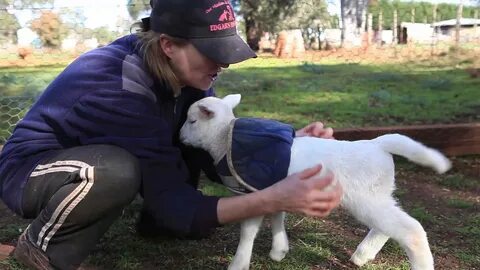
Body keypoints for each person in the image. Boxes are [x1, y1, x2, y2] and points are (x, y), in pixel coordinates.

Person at [0, 0, 342, 269]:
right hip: (33, 171)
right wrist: (271, 199)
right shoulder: (119, 86)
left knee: (191, 134)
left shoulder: (188, 72)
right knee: (116, 170)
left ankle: (160, 227)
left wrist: (290, 142)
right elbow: (166, 197)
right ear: (168, 45)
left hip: (102, 154)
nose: (223, 63)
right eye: (212, 51)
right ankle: (43, 250)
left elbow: (216, 136)